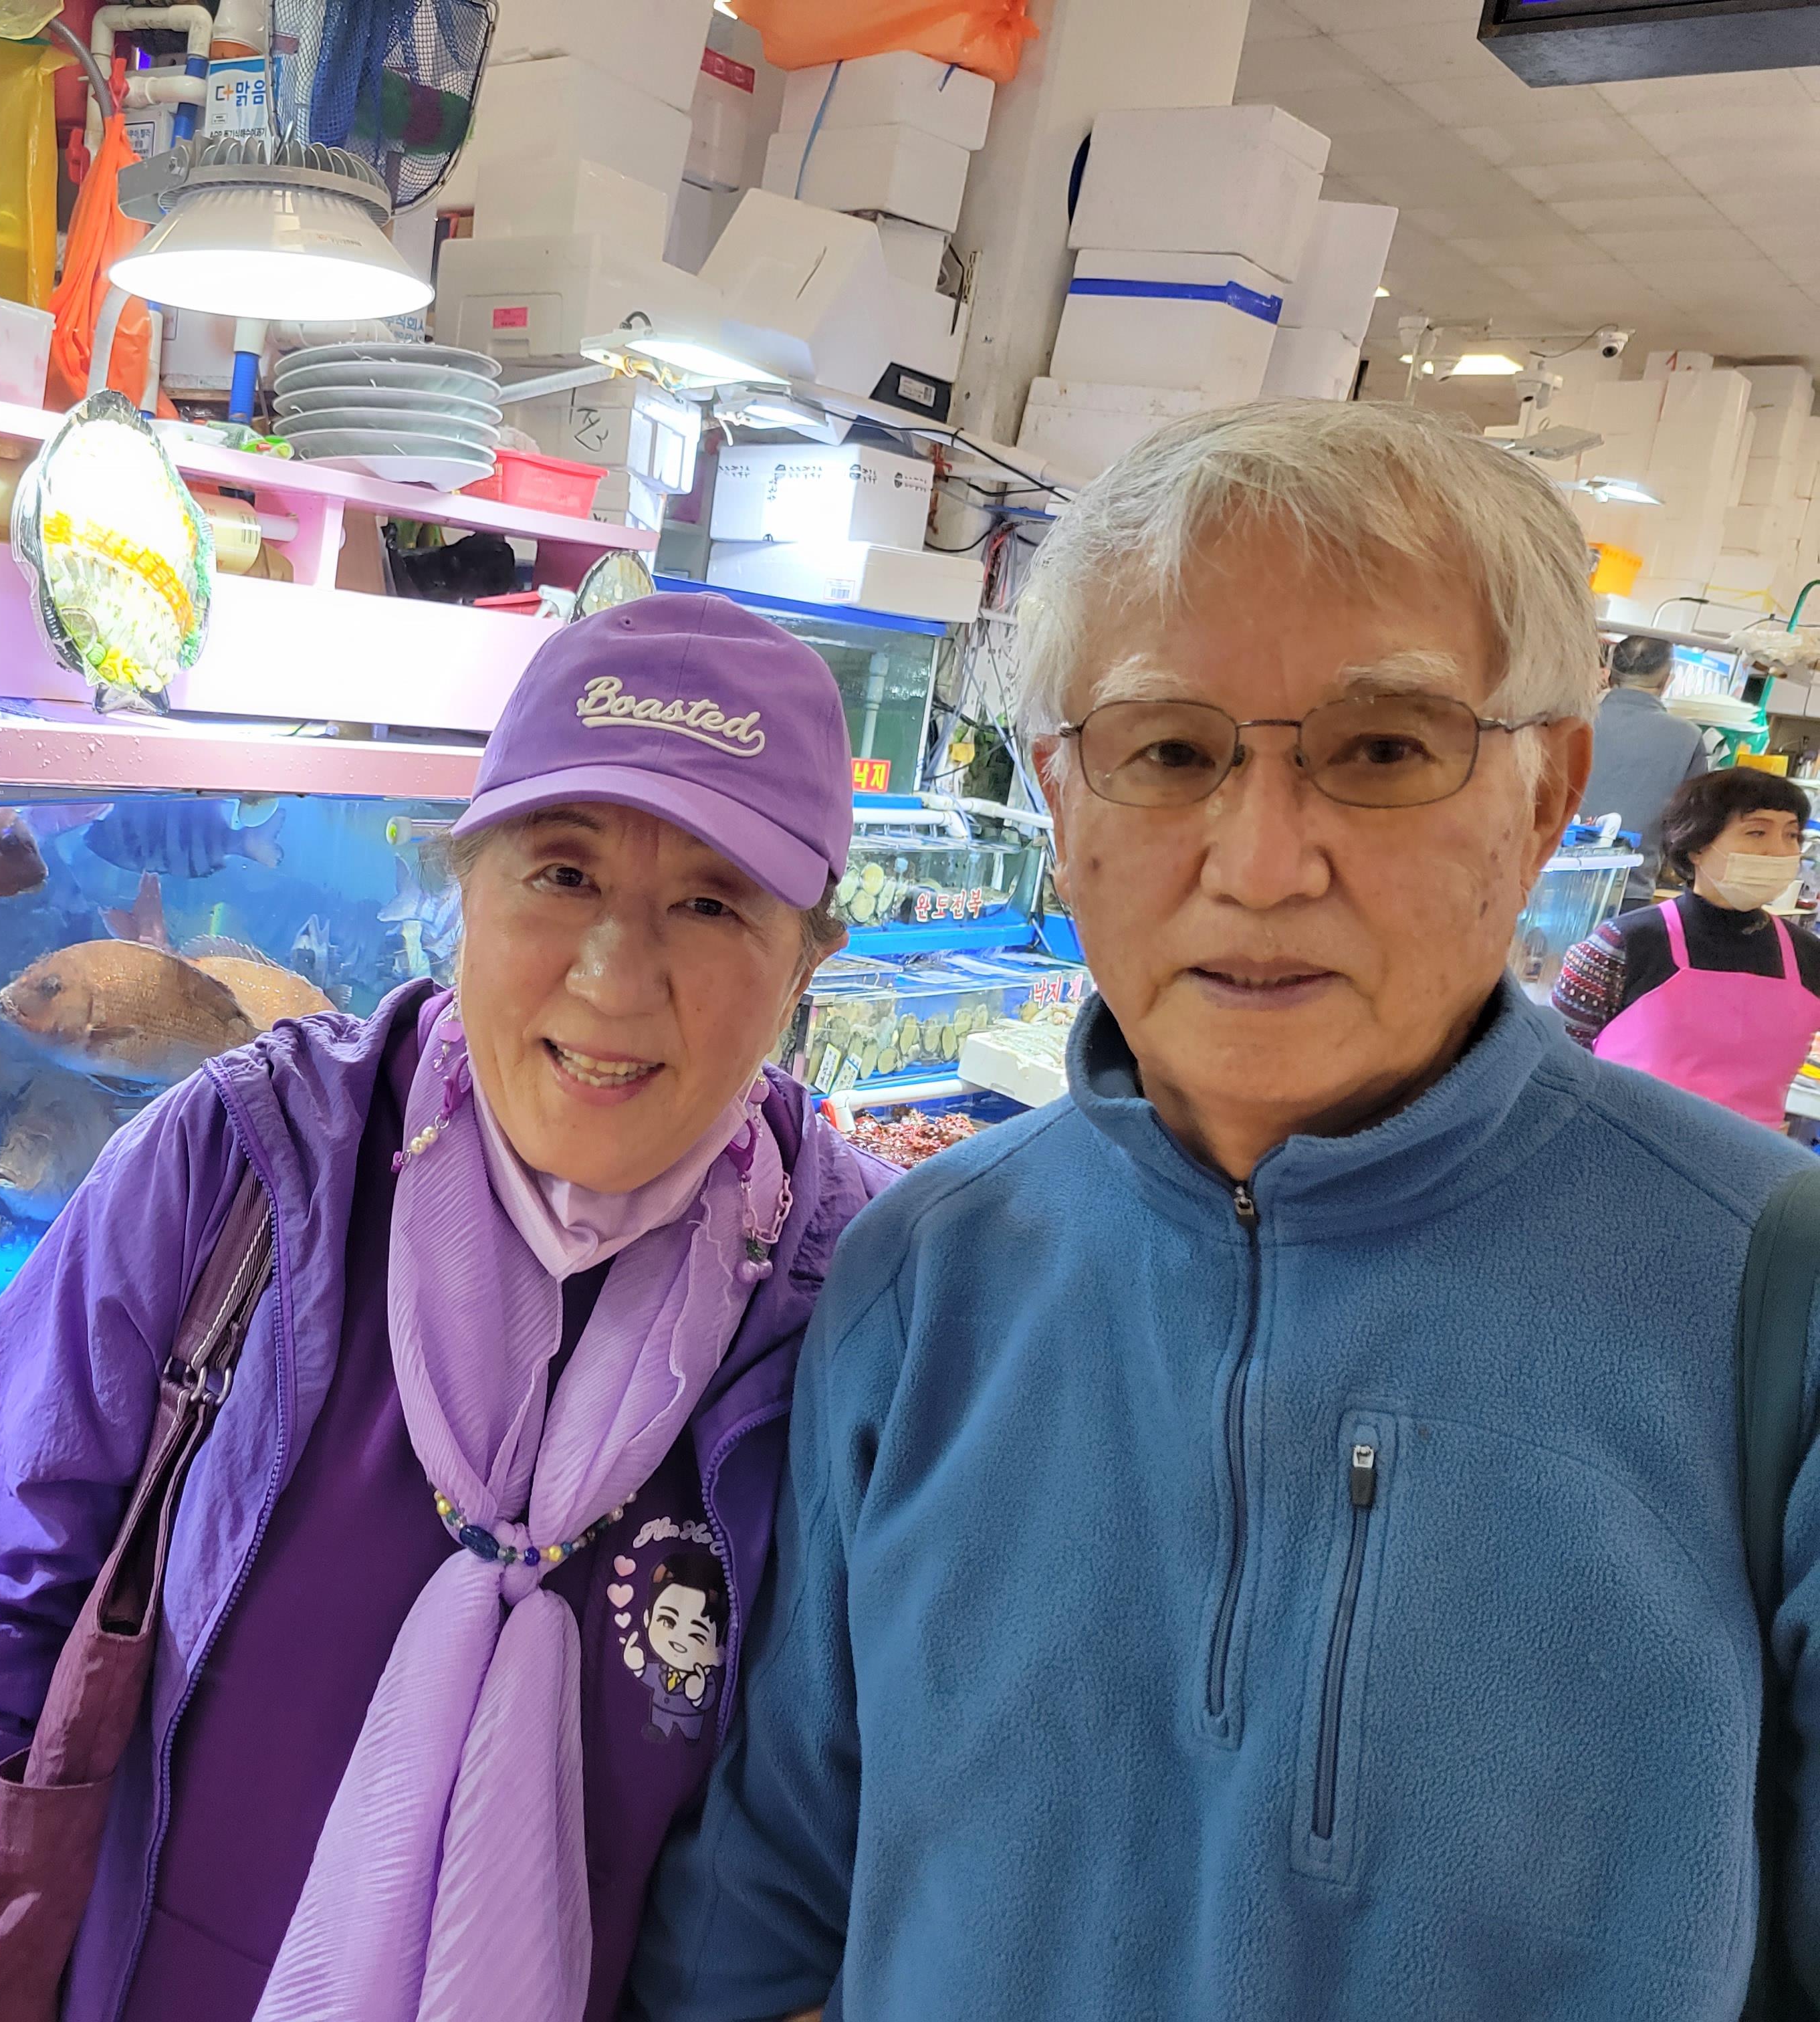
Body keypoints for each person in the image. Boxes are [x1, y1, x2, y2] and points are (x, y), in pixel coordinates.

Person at [630, 401, 1820, 2018]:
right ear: (1062, 798)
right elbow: (770, 1891)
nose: (1262, 862)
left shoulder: (1773, 1292)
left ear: (1548, 795)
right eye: (1171, 751)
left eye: (1384, 748)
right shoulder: (928, 1271)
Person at [0, 595, 889, 2022]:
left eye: (712, 903)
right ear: (466, 879)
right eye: (562, 874)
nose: (613, 974)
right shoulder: (243, 1170)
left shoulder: (867, 1312)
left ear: (809, 959)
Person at [1555, 766, 1820, 1127]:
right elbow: (1552, 1070)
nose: (1778, 851)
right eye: (1757, 832)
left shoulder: (1808, 956)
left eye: (1792, 835)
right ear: (1697, 845)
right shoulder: (1621, 946)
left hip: (1753, 1170)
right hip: (1618, 1156)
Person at [1581, 631, 1710, 907]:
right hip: (1629, 891)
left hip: (1547, 878)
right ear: (1666, 682)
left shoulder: (1573, 720)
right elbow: (1692, 821)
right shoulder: (1686, 737)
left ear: (1609, 675)